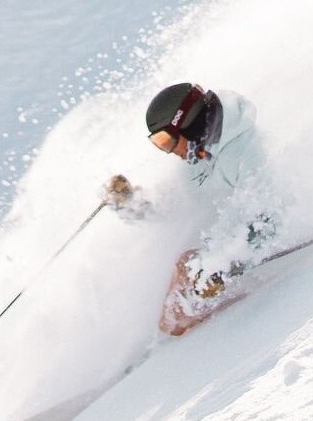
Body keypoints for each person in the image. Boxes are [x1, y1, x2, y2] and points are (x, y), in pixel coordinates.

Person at [115, 81, 284, 299]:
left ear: (187, 123)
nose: (169, 151)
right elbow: (172, 205)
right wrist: (129, 202)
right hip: (222, 253)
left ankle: (183, 310)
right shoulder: (197, 160)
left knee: (185, 268)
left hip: (260, 252)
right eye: (159, 143)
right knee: (182, 267)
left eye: (166, 140)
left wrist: (223, 268)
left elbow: (269, 219)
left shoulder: (247, 150)